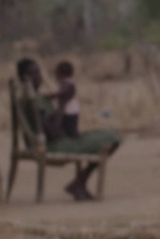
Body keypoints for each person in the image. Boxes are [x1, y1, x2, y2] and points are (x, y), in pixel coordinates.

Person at [13, 58, 123, 202]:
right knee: (113, 137)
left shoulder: (30, 97)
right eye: (33, 74)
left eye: (38, 72)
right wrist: (63, 105)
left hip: (55, 141)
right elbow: (52, 133)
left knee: (107, 135)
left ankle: (79, 182)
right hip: (54, 145)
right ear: (23, 78)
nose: (38, 77)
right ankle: (80, 182)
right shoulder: (34, 101)